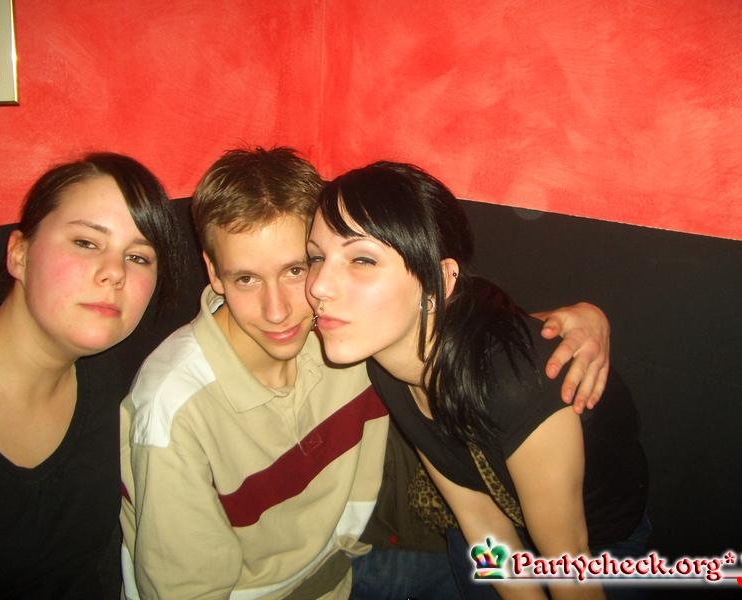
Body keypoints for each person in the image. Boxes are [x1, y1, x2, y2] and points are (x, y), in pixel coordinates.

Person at [120, 147, 613, 600]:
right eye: (246, 278)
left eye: (297, 269)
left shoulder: (352, 340)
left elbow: (459, 333)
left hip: (353, 565)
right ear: (213, 273)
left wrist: (577, 319)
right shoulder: (175, 409)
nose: (279, 310)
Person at [306, 162, 650, 600]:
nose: (319, 286)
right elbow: (479, 518)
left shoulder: (515, 384)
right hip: (503, 523)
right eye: (317, 257)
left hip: (600, 548)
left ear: (439, 281)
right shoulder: (388, 365)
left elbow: (568, 563)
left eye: (362, 259)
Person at [0, 153, 181, 599]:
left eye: (138, 256)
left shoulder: (113, 375)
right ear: (19, 254)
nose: (114, 273)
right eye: (86, 242)